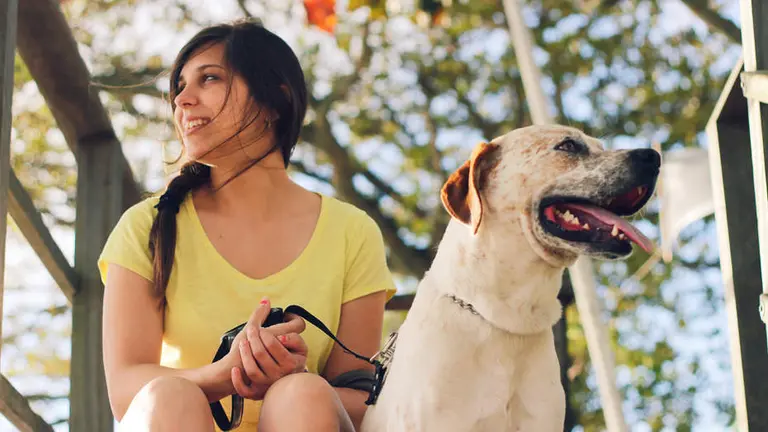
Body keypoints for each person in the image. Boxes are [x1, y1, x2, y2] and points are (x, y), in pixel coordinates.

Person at [98, 19, 397, 432]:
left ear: (276, 98)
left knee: (302, 395)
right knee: (168, 394)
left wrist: (290, 376)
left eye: (209, 78)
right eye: (179, 87)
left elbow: (364, 400)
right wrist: (223, 374)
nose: (183, 100)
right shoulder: (144, 228)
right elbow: (124, 391)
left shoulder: (353, 232)